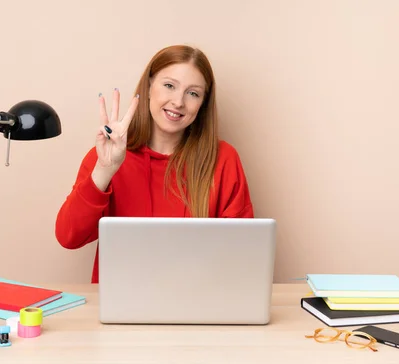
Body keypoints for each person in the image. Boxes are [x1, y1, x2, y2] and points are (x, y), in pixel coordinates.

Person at [55, 45, 254, 283]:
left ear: (202, 104)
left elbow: (243, 255)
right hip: (121, 304)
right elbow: (69, 237)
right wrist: (104, 171)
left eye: (193, 93)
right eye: (169, 86)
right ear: (149, 88)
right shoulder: (107, 155)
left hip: (198, 302)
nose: (178, 102)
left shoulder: (223, 158)